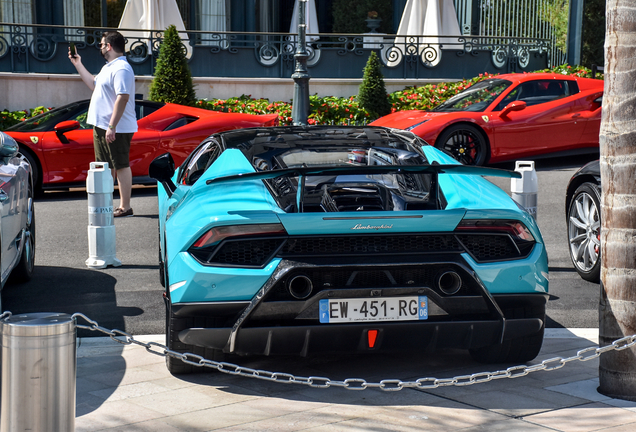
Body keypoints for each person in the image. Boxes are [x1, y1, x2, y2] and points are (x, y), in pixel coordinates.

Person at [69, 31, 137, 217]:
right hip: (103, 125)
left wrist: (112, 126)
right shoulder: (109, 67)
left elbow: (123, 97)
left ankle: (125, 206)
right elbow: (93, 83)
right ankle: (107, 204)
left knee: (120, 164)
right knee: (105, 165)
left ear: (109, 46)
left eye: (101, 44)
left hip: (117, 127)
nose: (99, 47)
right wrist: (78, 63)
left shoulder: (121, 68)